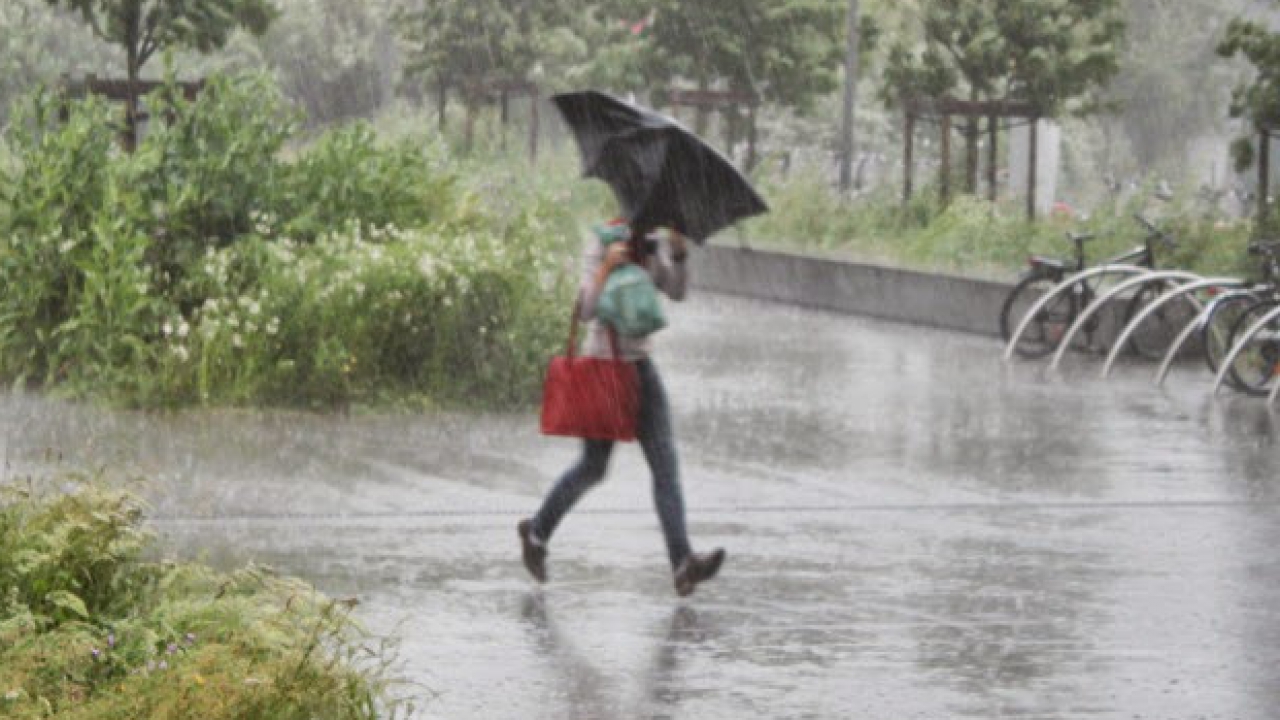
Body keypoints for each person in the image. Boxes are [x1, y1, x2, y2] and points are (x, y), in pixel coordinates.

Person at [518, 219, 726, 597]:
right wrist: (607, 268)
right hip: (606, 369)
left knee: (665, 468)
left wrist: (677, 252)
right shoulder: (603, 240)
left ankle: (683, 563)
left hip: (642, 369)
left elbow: (677, 292)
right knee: (593, 467)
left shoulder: (651, 243)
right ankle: (536, 533)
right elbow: (585, 309)